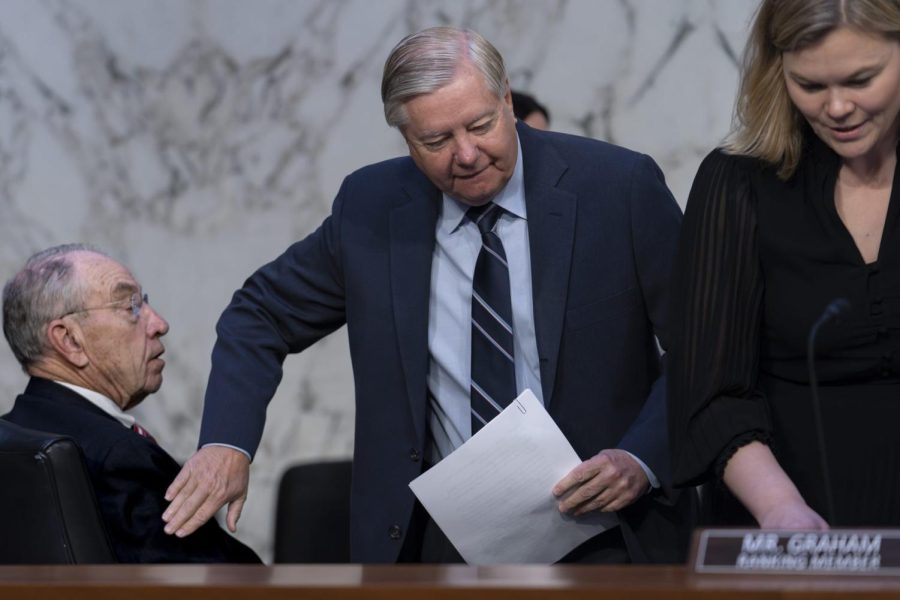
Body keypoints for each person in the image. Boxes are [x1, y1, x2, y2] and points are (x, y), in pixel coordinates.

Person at [163, 26, 691, 563]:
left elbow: (706, 349)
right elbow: (261, 313)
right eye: (436, 141)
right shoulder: (371, 207)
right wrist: (226, 443)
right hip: (437, 548)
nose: (466, 154)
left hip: (608, 534)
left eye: (481, 125)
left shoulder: (617, 188)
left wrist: (641, 457)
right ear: (406, 139)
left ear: (506, 98)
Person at [668, 0, 900, 529]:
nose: (837, 107)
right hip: (786, 515)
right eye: (811, 86)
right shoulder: (737, 183)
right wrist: (780, 508)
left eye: (861, 79)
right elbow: (711, 393)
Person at [1, 244, 260, 563]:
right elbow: (224, 580)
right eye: (130, 306)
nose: (159, 324)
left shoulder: (13, 434)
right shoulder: (118, 459)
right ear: (69, 340)